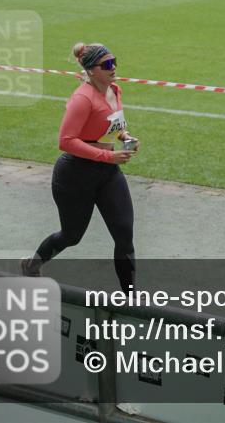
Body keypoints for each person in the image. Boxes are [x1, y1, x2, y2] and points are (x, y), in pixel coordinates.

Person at [23, 42, 139, 291]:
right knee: (71, 236)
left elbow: (112, 126)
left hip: (107, 174)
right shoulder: (82, 98)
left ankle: (130, 298)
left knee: (124, 234)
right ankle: (32, 264)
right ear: (92, 70)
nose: (114, 67)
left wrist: (125, 138)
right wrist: (107, 157)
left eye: (114, 61)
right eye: (107, 64)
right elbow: (66, 141)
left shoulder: (115, 90)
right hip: (74, 176)